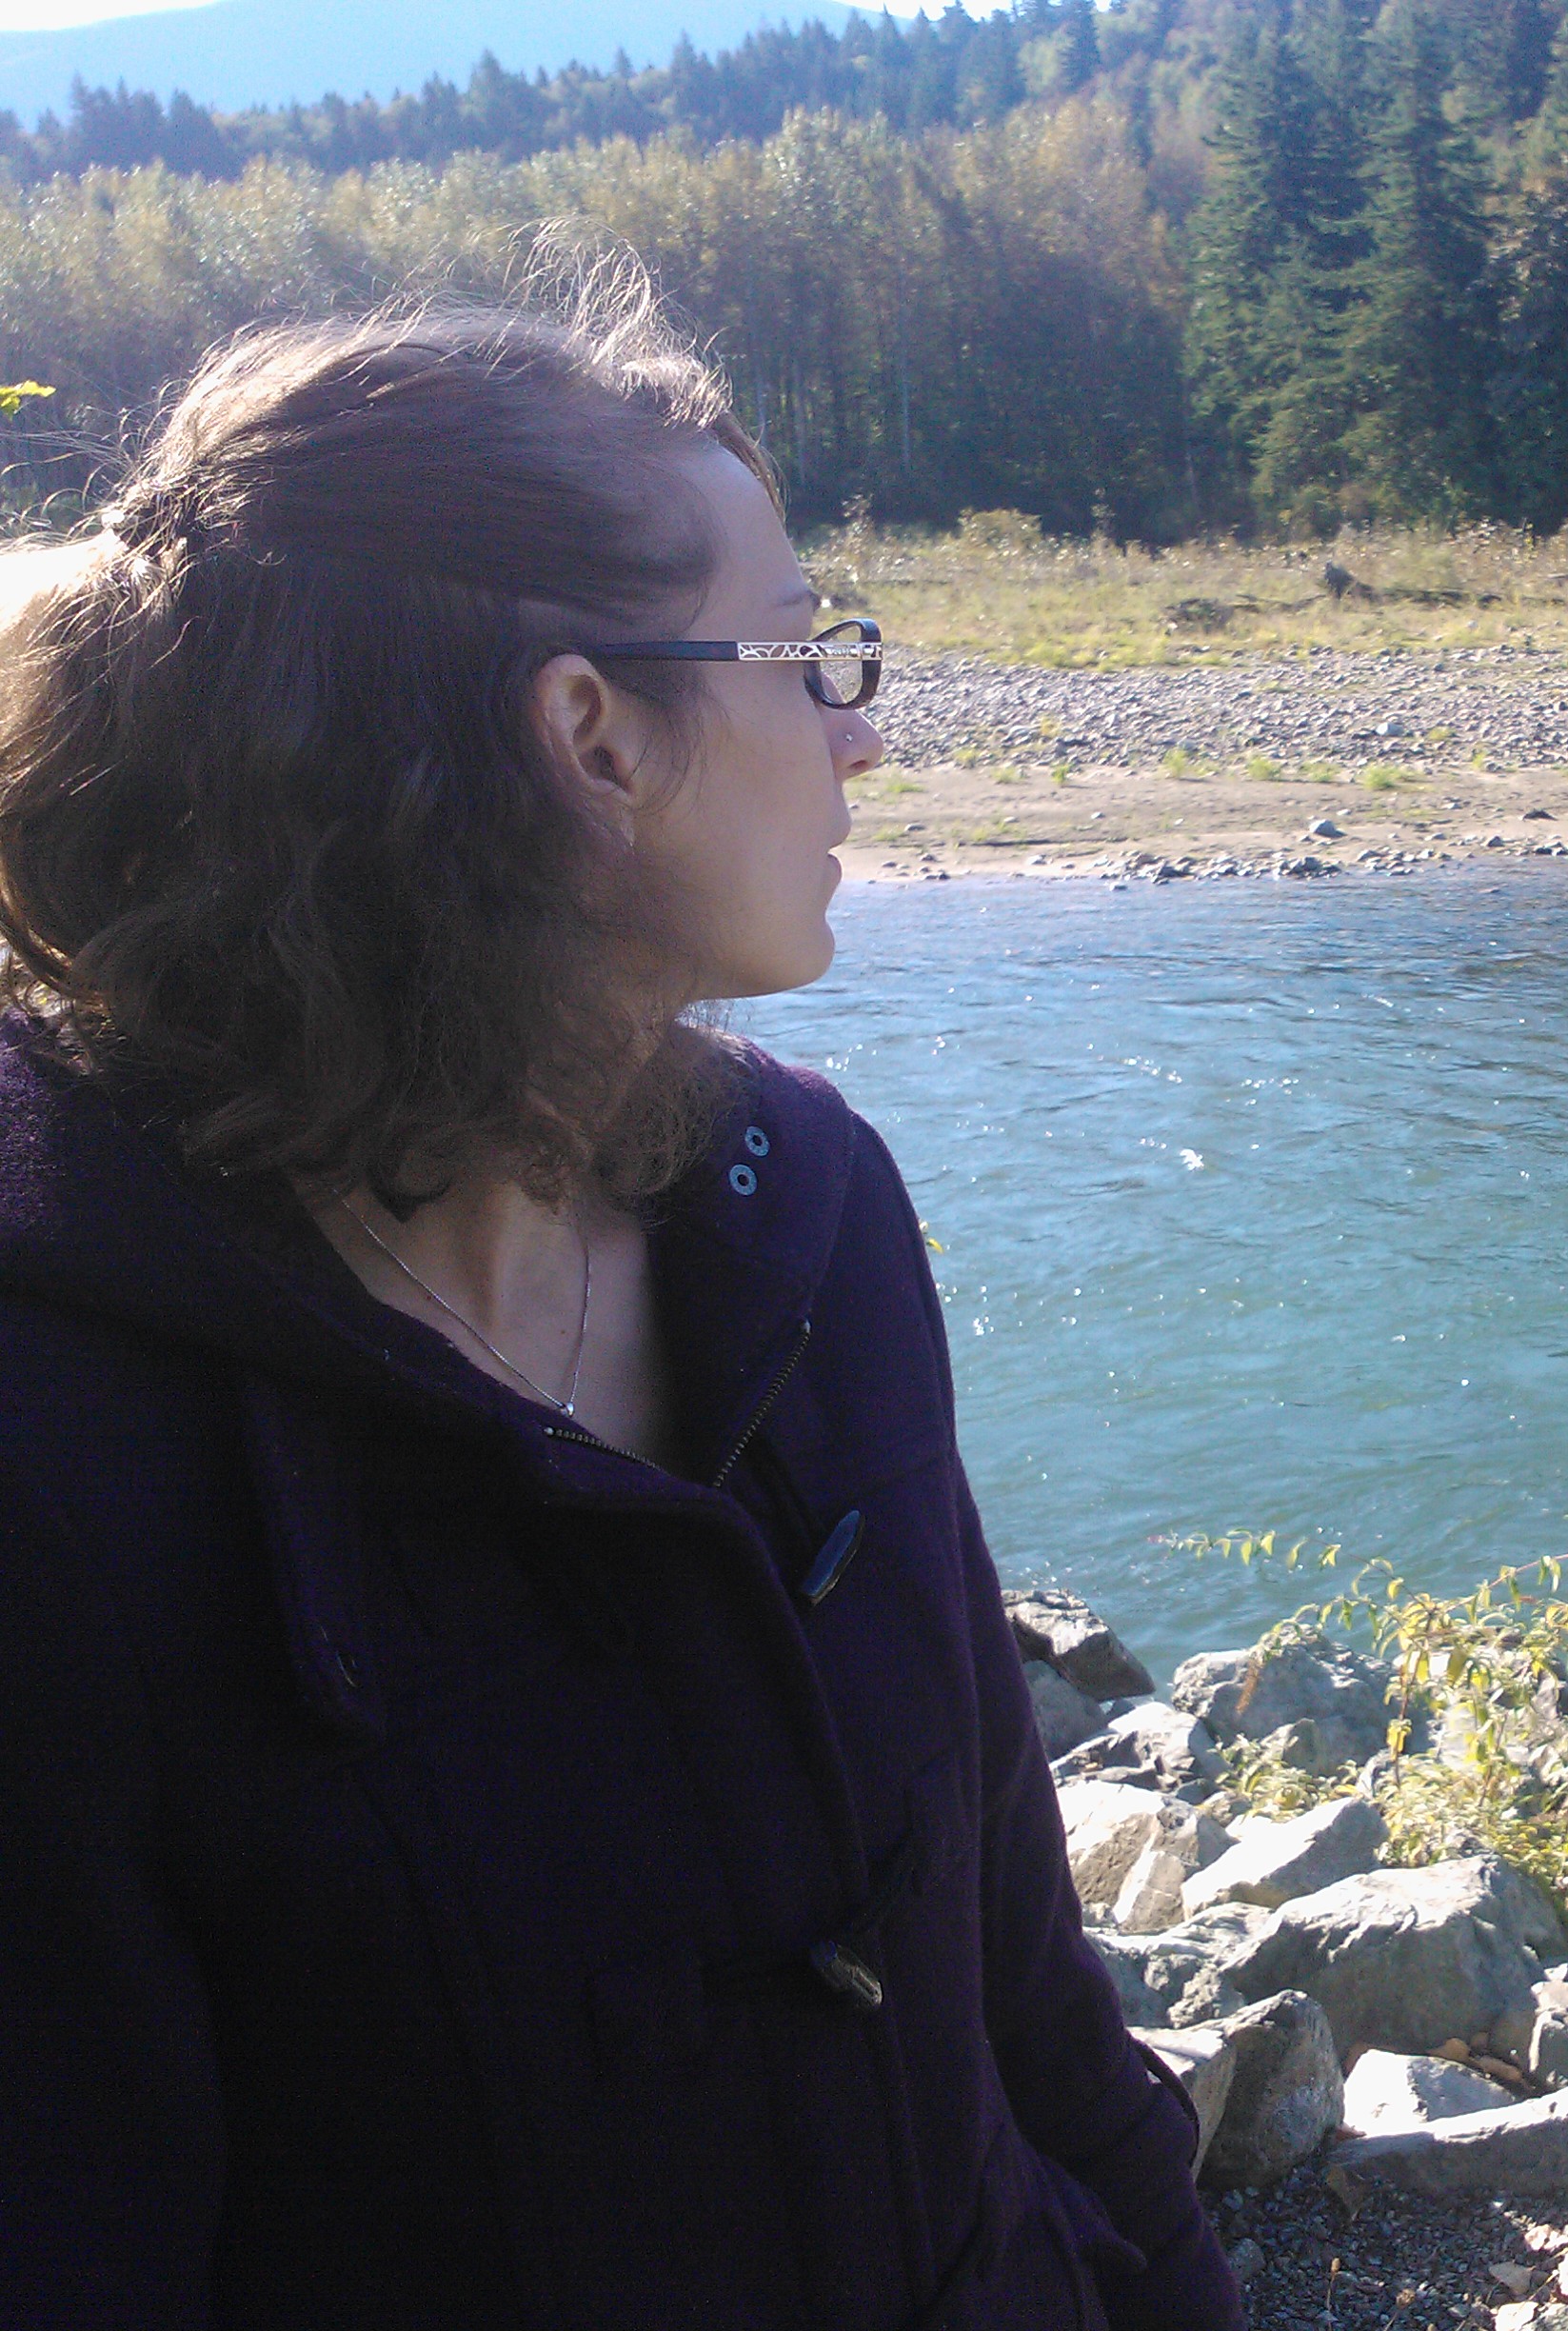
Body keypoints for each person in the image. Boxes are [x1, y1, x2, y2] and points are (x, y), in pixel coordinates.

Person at [0, 284, 1243, 2331]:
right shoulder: (60, 1443)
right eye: (805, 653)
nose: (860, 728)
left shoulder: (808, 1210)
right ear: (592, 738)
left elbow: (1022, 1990)